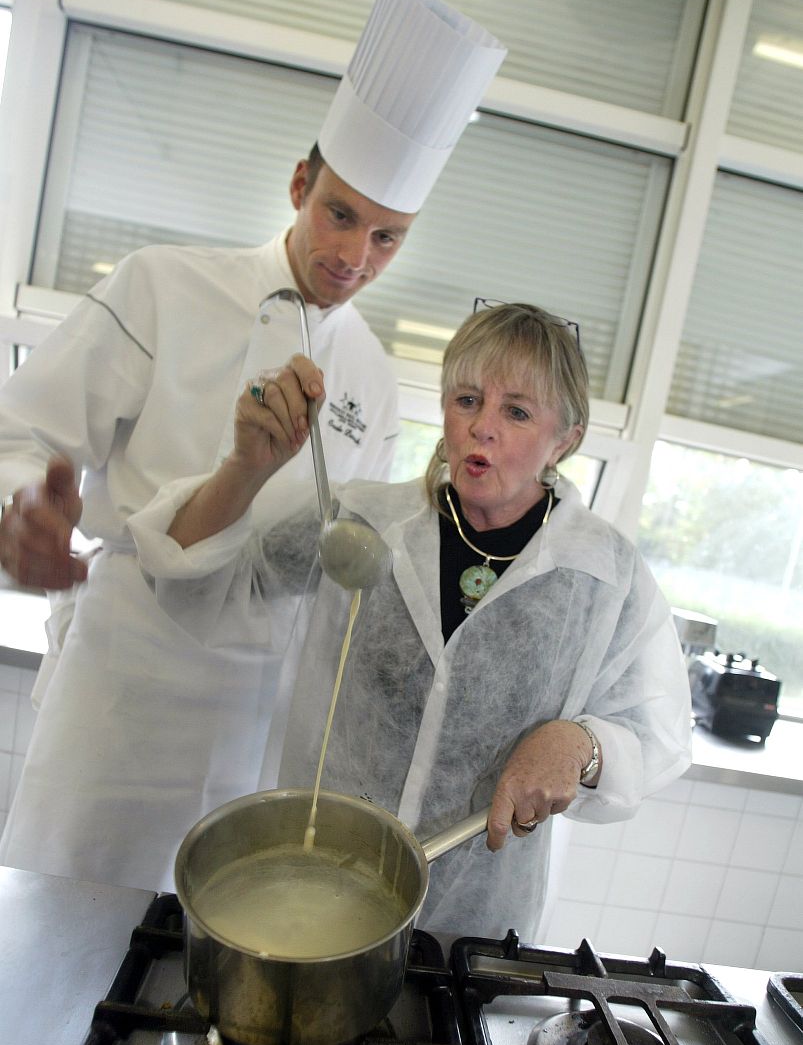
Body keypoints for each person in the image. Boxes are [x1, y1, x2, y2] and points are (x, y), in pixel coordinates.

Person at [0, 0, 506, 892]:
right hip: (128, 683)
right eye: (340, 214)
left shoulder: (376, 382)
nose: (354, 256)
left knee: (202, 964)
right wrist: (19, 511)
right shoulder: (163, 285)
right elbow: (20, 433)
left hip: (264, 715)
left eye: (388, 238)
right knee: (59, 943)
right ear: (299, 185)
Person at [127, 302, 693, 942]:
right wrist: (246, 466)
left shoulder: (603, 576)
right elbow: (201, 585)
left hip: (473, 929)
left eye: (517, 411)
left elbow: (656, 732)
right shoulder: (359, 521)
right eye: (467, 399)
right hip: (315, 897)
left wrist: (581, 745)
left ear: (566, 437)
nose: (482, 427)